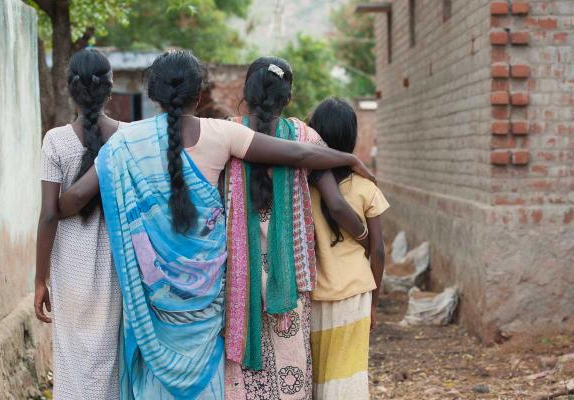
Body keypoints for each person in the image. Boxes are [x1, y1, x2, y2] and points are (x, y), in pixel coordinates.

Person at [58, 50, 375, 400]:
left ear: (153, 95)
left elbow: (72, 200)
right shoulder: (221, 134)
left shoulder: (124, 144)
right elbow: (298, 154)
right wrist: (349, 158)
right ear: (198, 95)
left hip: (153, 298)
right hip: (205, 302)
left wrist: (50, 208)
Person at [223, 57, 371, 400]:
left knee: (245, 366)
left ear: (247, 91)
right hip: (290, 274)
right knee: (291, 361)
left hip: (238, 275)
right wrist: (364, 237)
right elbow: (335, 203)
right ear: (288, 97)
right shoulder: (305, 137)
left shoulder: (228, 133)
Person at [33, 48, 123, 400]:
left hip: (69, 264)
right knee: (110, 356)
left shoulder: (55, 140)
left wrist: (40, 279)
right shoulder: (127, 137)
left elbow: (48, 214)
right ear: (110, 88)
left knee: (71, 359)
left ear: (71, 89)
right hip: (115, 263)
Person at [308, 98, 388, 400]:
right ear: (352, 138)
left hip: (314, 294)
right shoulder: (367, 186)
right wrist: (376, 303)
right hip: (355, 293)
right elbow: (378, 251)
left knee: (319, 378)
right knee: (348, 380)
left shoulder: (303, 184)